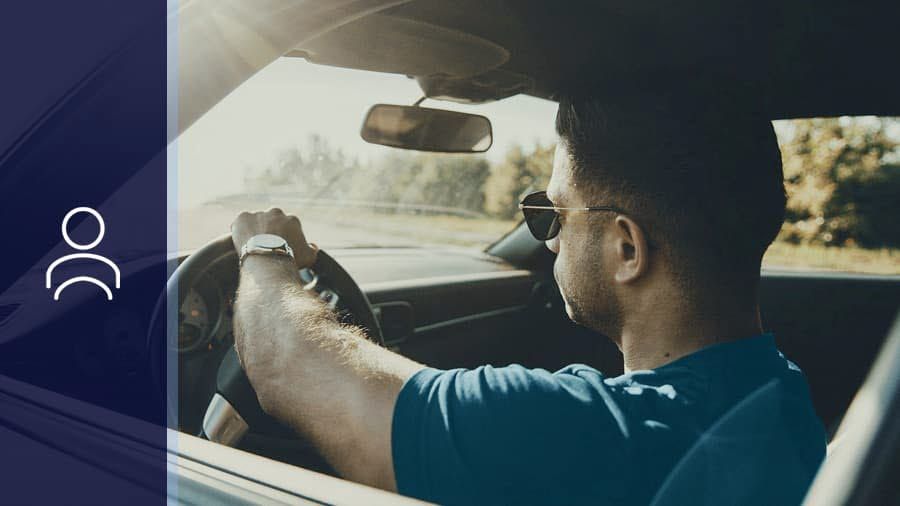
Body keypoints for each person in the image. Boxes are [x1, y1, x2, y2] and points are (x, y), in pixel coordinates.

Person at [229, 92, 827, 505]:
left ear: (626, 249)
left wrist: (264, 250)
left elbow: (285, 364)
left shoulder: (582, 433)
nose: (551, 235)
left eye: (553, 212)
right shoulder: (780, 395)